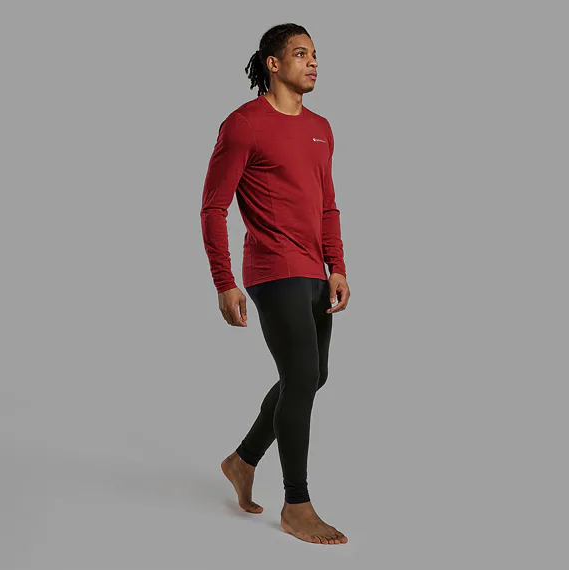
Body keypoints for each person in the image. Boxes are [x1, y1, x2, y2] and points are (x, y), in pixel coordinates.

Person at [200, 23, 350, 545]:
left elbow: (327, 204)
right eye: (301, 54)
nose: (313, 62)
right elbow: (213, 207)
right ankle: (297, 504)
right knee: (302, 375)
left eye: (315, 54)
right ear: (273, 63)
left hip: (313, 270)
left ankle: (242, 461)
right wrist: (224, 280)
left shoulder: (321, 128)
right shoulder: (244, 124)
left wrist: (337, 265)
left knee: (313, 375)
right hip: (271, 268)